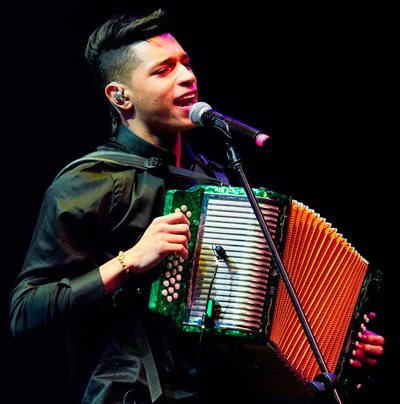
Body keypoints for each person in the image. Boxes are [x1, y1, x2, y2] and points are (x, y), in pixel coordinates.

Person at [9, 9, 385, 404]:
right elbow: (25, 313)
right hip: (131, 394)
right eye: (163, 70)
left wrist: (338, 349)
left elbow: (262, 308)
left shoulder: (215, 181)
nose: (187, 77)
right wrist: (129, 261)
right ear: (120, 96)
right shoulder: (89, 183)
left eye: (185, 63)